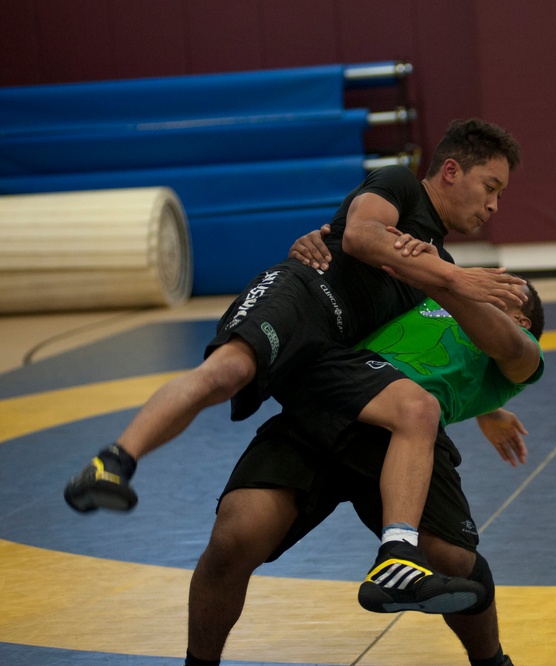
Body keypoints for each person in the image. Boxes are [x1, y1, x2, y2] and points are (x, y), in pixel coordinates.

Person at [64, 118, 527, 614]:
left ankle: (397, 557)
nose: (494, 205)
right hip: (303, 296)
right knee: (227, 373)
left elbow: (420, 349)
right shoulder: (400, 185)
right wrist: (453, 278)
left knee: (415, 408)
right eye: (490, 188)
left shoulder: (438, 259)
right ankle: (111, 463)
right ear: (451, 171)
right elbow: (361, 235)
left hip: (333, 354)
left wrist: (486, 409)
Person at [184, 264, 545, 666]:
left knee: (454, 561)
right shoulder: (429, 298)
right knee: (234, 537)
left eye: (502, 287)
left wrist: (448, 279)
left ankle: (492, 662)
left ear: (521, 319)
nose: (485, 282)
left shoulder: (522, 349)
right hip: (333, 400)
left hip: (404, 432)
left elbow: (506, 348)